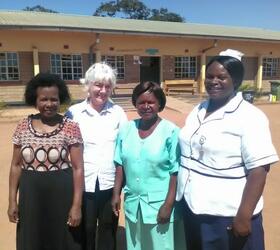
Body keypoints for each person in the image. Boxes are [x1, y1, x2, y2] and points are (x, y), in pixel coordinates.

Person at [176, 49, 279, 250]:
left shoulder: (250, 117)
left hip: (227, 214)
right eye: (210, 76)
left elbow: (259, 170)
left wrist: (244, 216)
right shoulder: (198, 109)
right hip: (194, 208)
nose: (214, 81)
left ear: (236, 81)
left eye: (222, 77)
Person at [8, 73, 84, 250]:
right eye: (43, 99)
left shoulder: (71, 127)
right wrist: (12, 200)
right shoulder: (22, 126)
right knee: (32, 240)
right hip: (31, 197)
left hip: (62, 196)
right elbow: (16, 165)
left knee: (63, 240)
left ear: (61, 100)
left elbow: (78, 168)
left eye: (54, 99)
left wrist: (76, 205)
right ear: (35, 100)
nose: (49, 104)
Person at [112, 81, 184, 250]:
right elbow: (119, 164)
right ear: (135, 104)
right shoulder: (126, 130)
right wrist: (116, 194)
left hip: (159, 205)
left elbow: (176, 172)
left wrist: (168, 205)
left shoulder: (171, 132)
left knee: (161, 246)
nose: (146, 106)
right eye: (141, 102)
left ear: (160, 104)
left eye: (151, 102)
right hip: (133, 204)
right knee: (135, 245)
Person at [65, 62, 127, 250]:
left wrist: (118, 190)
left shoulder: (118, 113)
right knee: (86, 228)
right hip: (83, 182)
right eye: (98, 85)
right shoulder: (74, 113)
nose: (103, 90)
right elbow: (64, 146)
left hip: (109, 183)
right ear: (88, 86)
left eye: (108, 86)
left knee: (108, 229)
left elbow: (123, 150)